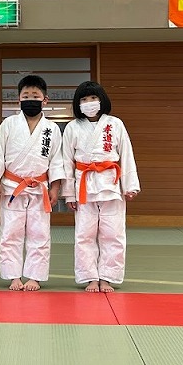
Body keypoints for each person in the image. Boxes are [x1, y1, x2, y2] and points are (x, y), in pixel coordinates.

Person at [0, 75, 65, 291]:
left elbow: (57, 160)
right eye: (26, 95)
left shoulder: (52, 129)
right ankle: (13, 276)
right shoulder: (8, 124)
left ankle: (34, 276)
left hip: (40, 188)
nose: (30, 99)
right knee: (10, 233)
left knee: (40, 234)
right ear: (18, 99)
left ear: (45, 100)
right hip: (12, 187)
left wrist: (55, 187)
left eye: (35, 96)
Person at [62, 81, 139, 293]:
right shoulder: (72, 127)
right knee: (84, 234)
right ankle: (90, 277)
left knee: (113, 233)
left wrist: (130, 185)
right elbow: (66, 161)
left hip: (111, 185)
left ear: (101, 100)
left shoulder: (115, 124)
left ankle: (107, 277)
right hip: (84, 185)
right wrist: (69, 193)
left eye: (93, 98)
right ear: (78, 104)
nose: (89, 102)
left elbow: (127, 154)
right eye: (84, 99)